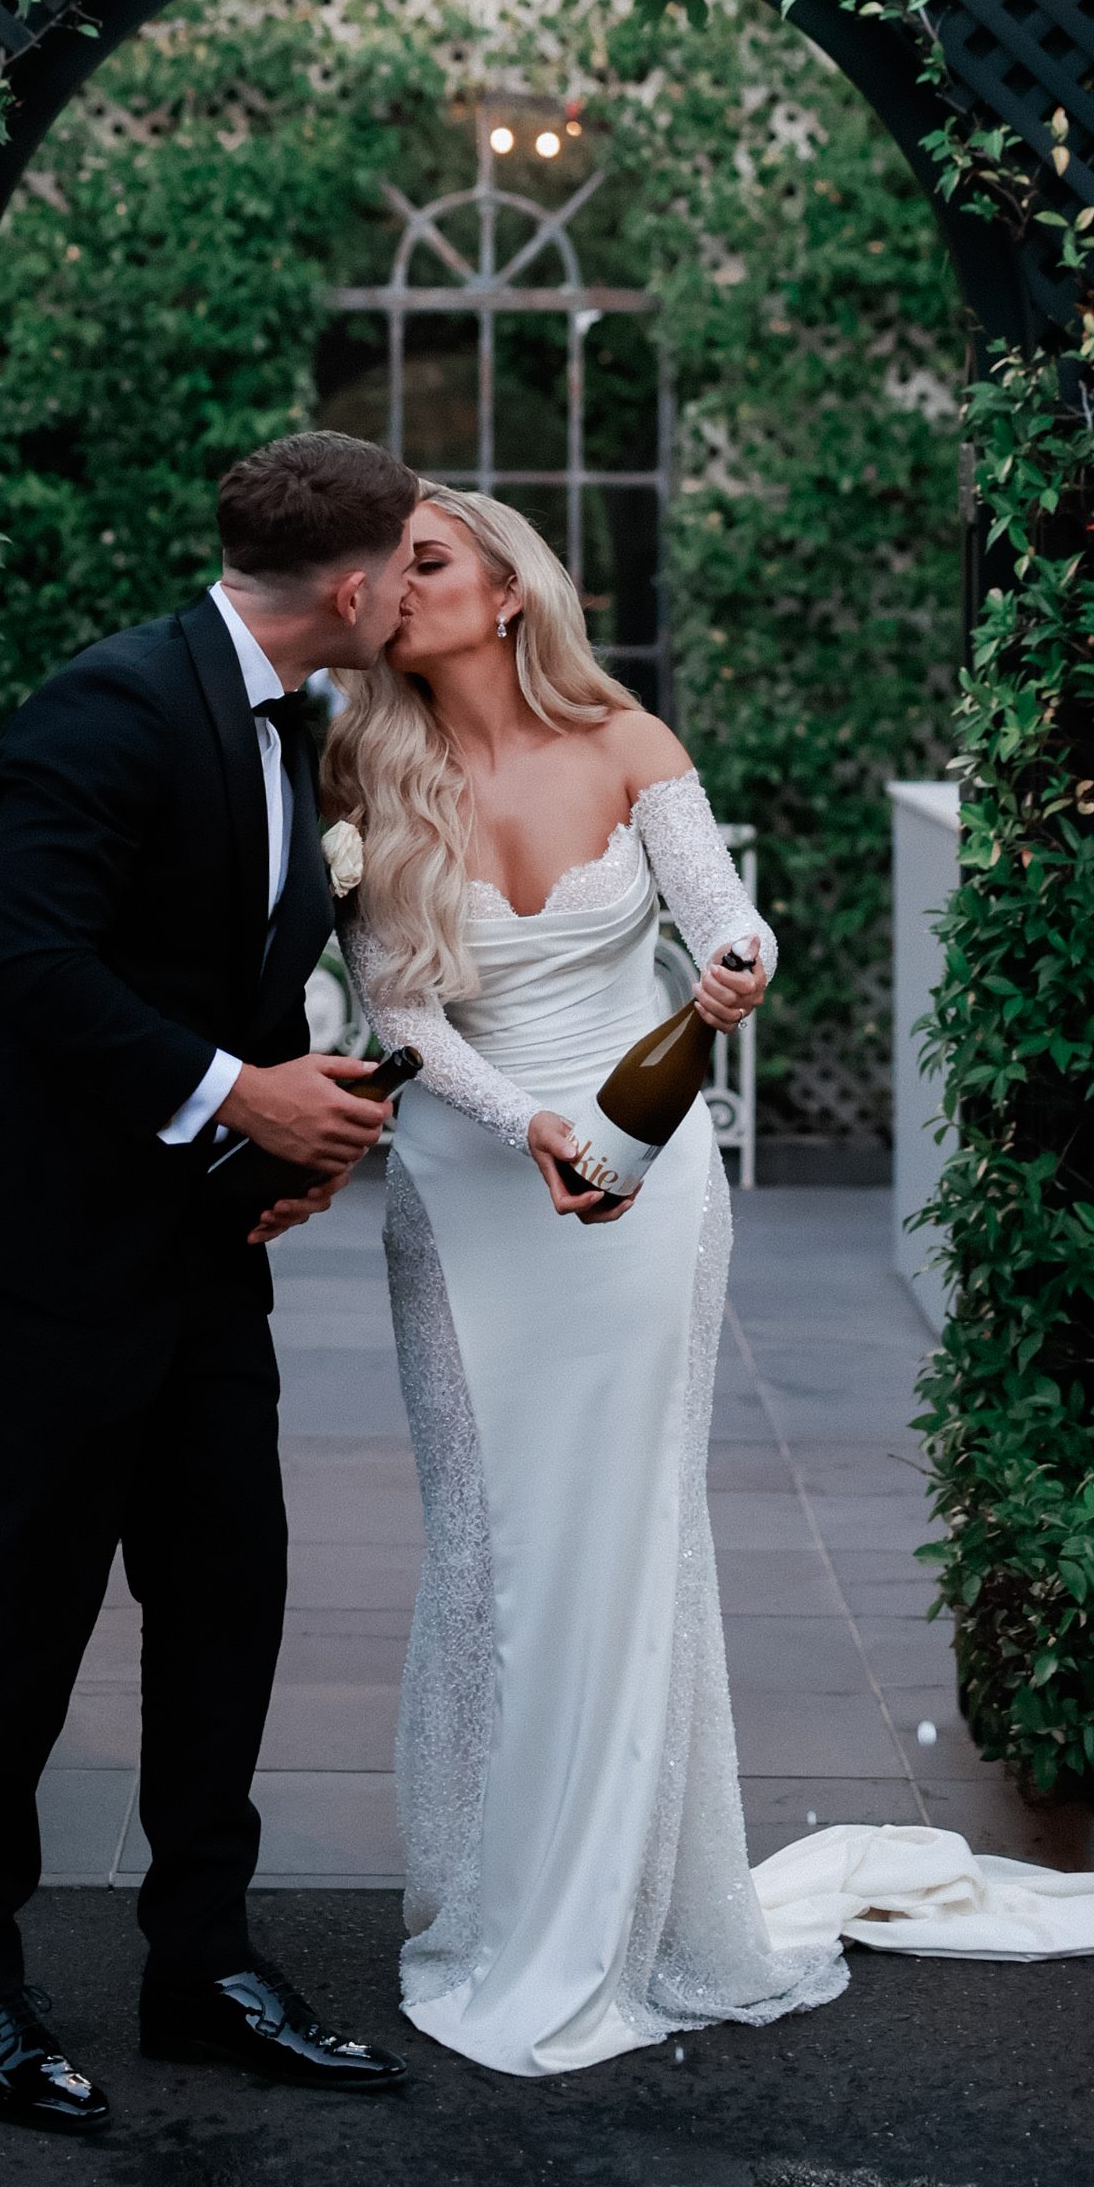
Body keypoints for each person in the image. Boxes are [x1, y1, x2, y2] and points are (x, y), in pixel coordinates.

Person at [0, 431, 419, 2131]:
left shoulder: (312, 730)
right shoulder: (107, 705)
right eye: (406, 567)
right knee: (25, 1631)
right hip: (45, 1257)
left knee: (228, 1602)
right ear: (348, 589)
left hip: (199, 1258)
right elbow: (30, 962)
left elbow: (226, 964)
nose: (414, 592)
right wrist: (233, 1091)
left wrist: (287, 1147)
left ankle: (200, 1966)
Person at [327, 485, 852, 2077]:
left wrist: (739, 966)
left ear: (504, 589)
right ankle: (498, 1911)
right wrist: (527, 1123)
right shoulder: (362, 767)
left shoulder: (631, 742)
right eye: (381, 568)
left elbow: (726, 922)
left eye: (425, 559)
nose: (392, 587)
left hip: (652, 1183)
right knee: (493, 1545)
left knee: (630, 1534)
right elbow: (398, 1011)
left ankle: (643, 1915)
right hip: (475, 1186)